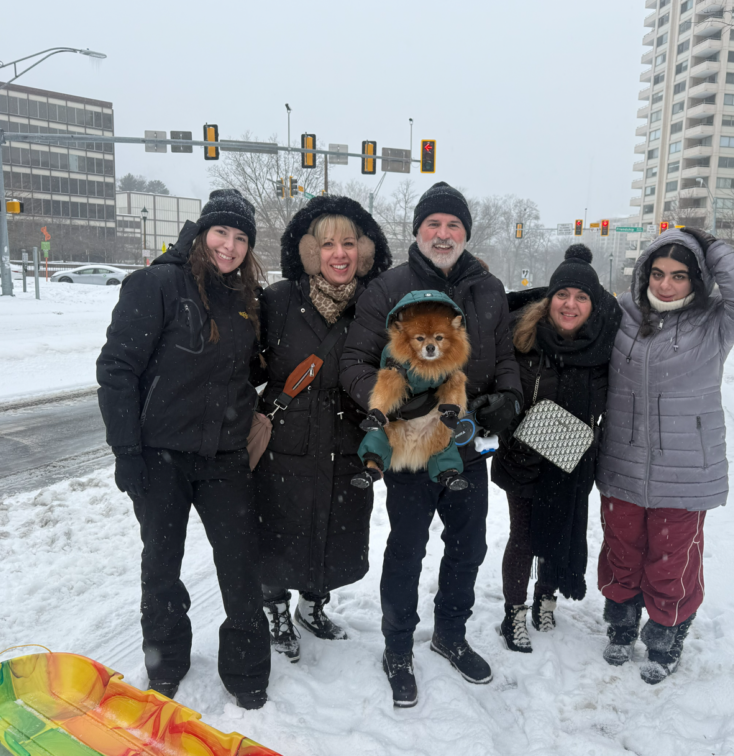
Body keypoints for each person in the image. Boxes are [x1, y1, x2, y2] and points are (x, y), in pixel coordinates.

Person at [340, 182, 522, 707]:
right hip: (411, 448)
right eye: (434, 224)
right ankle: (398, 647)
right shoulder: (389, 288)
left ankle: (450, 633)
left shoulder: (489, 289)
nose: (443, 234)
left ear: (466, 233)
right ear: (418, 230)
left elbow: (505, 356)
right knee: (407, 549)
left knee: (469, 547)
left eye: (453, 225)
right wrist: (395, 402)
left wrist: (508, 397)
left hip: (466, 445)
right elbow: (353, 361)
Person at [96, 189, 271, 710]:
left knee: (241, 566)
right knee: (161, 567)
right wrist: (127, 450)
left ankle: (247, 672)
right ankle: (166, 664)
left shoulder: (248, 300)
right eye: (221, 233)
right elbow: (117, 369)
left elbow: (249, 370)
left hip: (224, 456)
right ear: (201, 233)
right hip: (161, 457)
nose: (229, 246)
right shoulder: (156, 285)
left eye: (240, 238)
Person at [595, 227, 734, 685]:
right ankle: (621, 625)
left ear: (696, 279)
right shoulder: (624, 314)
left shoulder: (714, 322)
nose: (666, 285)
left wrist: (712, 248)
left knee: (672, 559)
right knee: (621, 551)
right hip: (623, 462)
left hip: (686, 468)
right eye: (657, 273)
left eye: (678, 275)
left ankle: (666, 636)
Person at [253, 195, 392, 662]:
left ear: (364, 251)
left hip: (346, 441)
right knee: (277, 531)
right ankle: (275, 609)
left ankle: (313, 606)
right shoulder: (278, 300)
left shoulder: (375, 305)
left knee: (334, 529)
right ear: (311, 251)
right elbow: (243, 365)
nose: (339, 254)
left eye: (349, 243)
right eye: (327, 244)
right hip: (285, 445)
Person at [491, 245, 621, 653]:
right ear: (550, 297)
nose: (570, 304)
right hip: (522, 454)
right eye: (562, 294)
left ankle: (545, 599)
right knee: (523, 537)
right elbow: (501, 390)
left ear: (594, 303)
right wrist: (511, 431)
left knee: (560, 530)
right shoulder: (522, 335)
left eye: (581, 297)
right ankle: (513, 612)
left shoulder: (606, 346)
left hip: (572, 459)